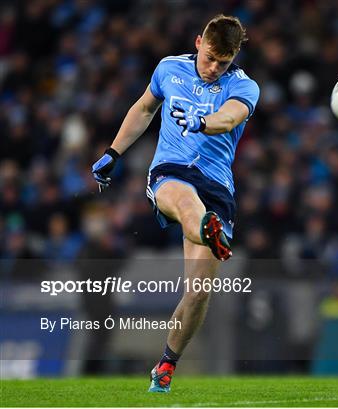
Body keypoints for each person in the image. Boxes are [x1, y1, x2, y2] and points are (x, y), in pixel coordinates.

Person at [90, 15, 259, 393]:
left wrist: (203, 123)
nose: (215, 68)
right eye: (211, 57)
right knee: (184, 200)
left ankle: (166, 365)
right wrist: (113, 152)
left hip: (216, 185)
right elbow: (145, 108)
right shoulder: (170, 68)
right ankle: (206, 227)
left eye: (224, 63)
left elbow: (230, 117)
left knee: (198, 294)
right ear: (199, 42)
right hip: (171, 170)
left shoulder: (245, 86)